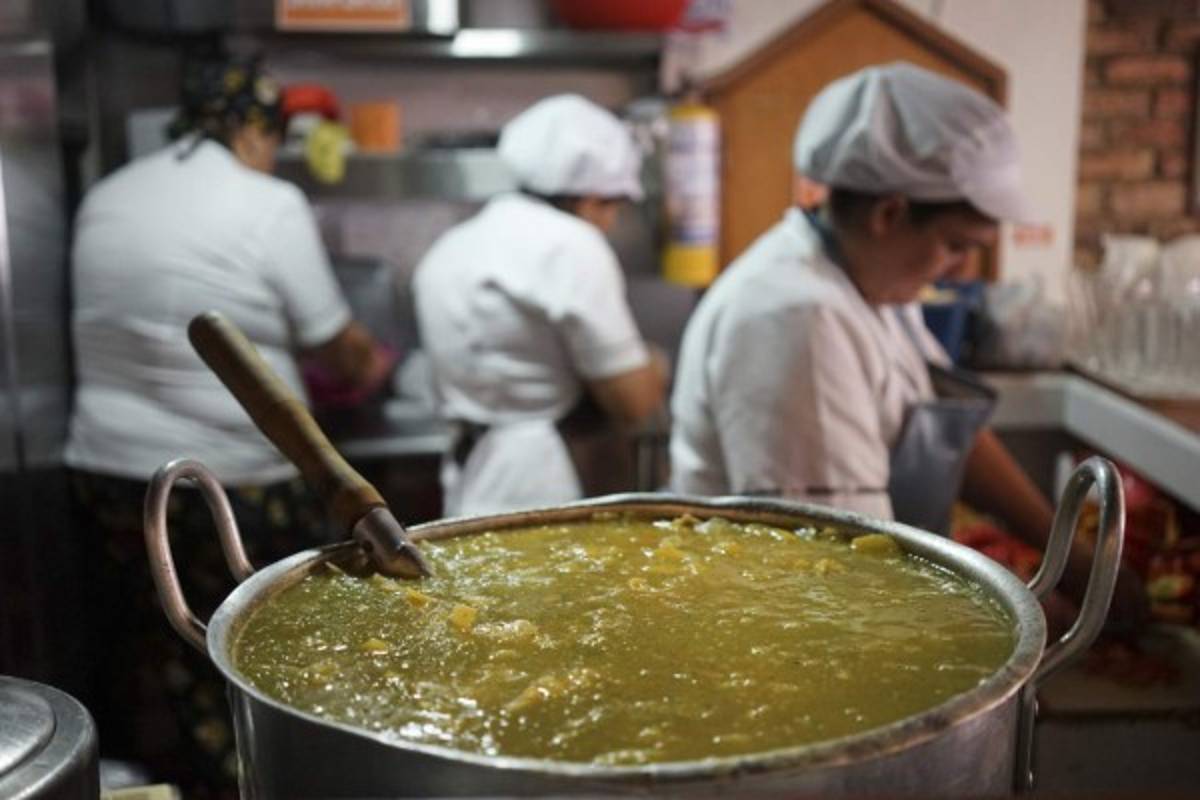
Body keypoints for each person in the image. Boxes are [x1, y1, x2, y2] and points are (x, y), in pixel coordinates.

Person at [670, 62, 1145, 630]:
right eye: (954, 245)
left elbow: (953, 434)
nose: (961, 268)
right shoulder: (800, 317)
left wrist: (1072, 562)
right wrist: (1011, 620)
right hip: (783, 628)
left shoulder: (870, 287)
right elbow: (837, 565)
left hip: (854, 605)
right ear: (889, 213)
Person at [66, 53, 390, 798]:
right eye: (273, 134)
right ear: (250, 127)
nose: (273, 150)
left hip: (105, 479)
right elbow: (337, 343)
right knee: (258, 661)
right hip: (226, 484)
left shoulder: (108, 193)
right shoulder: (268, 201)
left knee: (160, 656)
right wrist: (372, 367)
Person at [413, 94, 666, 517]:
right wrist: (656, 366)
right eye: (614, 207)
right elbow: (632, 403)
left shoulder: (454, 244)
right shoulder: (573, 245)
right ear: (591, 199)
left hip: (467, 472)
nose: (612, 222)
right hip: (543, 482)